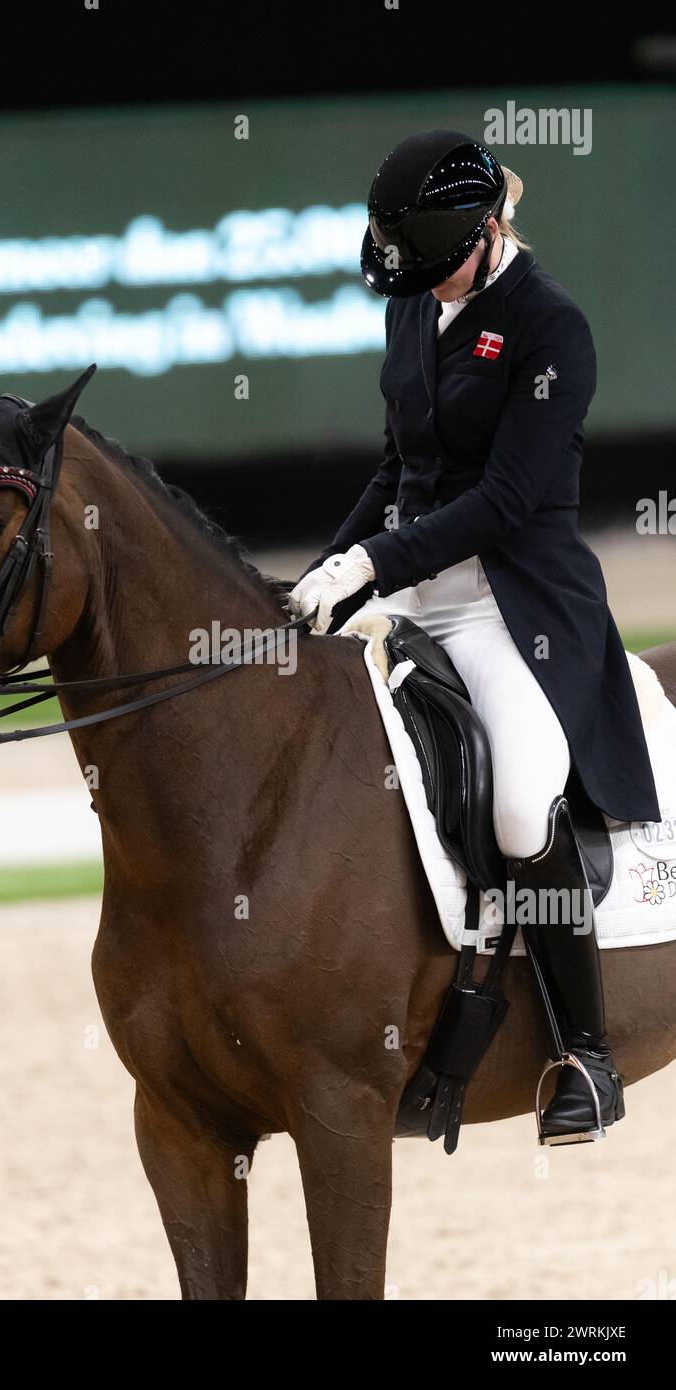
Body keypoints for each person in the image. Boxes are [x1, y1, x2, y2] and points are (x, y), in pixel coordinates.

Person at [289, 129, 661, 1144]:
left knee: (513, 801)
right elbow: (397, 466)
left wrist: (370, 567)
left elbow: (502, 501)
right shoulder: (415, 303)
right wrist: (320, 573)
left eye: (440, 265)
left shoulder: (549, 328)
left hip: (512, 603)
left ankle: (584, 1052)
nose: (428, 288)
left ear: (488, 228)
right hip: (408, 587)